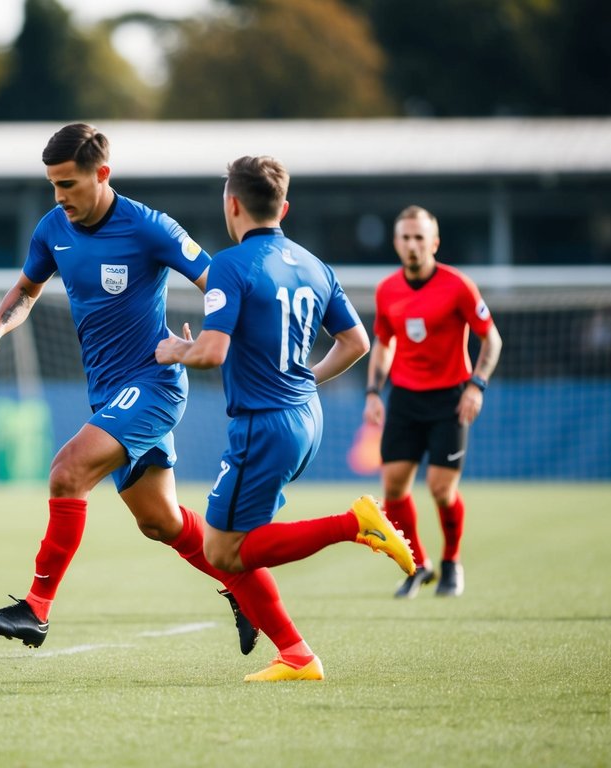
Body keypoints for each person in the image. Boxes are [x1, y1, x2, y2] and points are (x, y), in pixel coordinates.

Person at [0, 123, 258, 655]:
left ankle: (35, 609)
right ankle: (249, 590)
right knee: (160, 521)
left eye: (69, 184)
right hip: (108, 393)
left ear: (102, 174)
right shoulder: (53, 227)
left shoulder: (150, 227)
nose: (60, 196)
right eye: (53, 184)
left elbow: (219, 282)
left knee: (67, 471)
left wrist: (211, 342)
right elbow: (27, 290)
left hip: (153, 383)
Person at [155, 154, 415, 682]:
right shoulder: (315, 265)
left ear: (232, 205)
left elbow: (212, 353)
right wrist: (306, 378)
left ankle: (355, 525)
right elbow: (357, 342)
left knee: (221, 550)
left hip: (264, 425)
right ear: (284, 207)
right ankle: (296, 654)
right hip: (304, 417)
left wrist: (174, 351)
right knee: (236, 546)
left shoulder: (230, 264)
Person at [363, 205, 502, 598]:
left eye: (419, 238)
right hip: (405, 398)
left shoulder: (458, 285)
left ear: (434, 242)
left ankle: (451, 562)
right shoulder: (387, 289)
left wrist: (477, 385)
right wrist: (374, 392)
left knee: (441, 489)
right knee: (392, 490)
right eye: (405, 237)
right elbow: (384, 343)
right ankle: (418, 566)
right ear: (395, 243)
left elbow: (491, 339)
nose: (412, 245)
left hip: (450, 399)